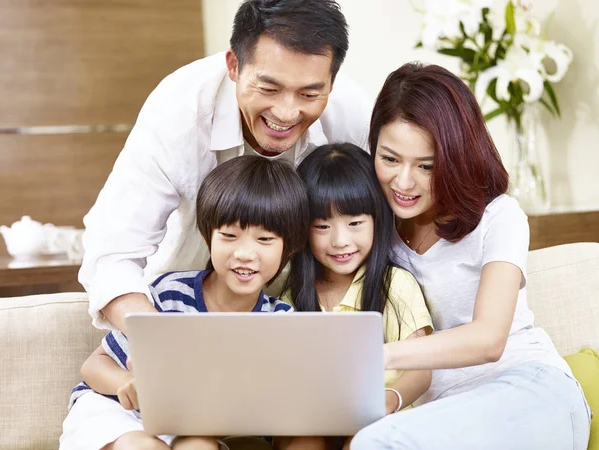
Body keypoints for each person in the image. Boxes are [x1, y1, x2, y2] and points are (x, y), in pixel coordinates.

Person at [79, 0, 372, 334]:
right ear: (234, 66)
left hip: (296, 309)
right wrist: (160, 340)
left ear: (332, 83)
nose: (287, 113)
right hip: (182, 306)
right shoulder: (178, 112)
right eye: (269, 88)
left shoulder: (353, 115)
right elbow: (112, 252)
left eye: (308, 95)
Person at [350, 63, 592, 449]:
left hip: (533, 392)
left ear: (456, 159)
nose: (404, 181)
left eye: (426, 166)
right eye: (390, 159)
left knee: (377, 442)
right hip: (448, 416)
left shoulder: (499, 217)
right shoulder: (370, 233)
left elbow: (488, 339)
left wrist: (375, 355)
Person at [60, 156, 310, 450]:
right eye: (229, 236)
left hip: (187, 426)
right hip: (116, 413)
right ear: (207, 238)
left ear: (290, 247)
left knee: (199, 445)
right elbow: (93, 366)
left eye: (264, 239)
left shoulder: (281, 322)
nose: (244, 253)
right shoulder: (170, 295)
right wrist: (125, 383)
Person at [279, 144, 433, 450]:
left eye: (355, 224)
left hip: (386, 417)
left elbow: (422, 370)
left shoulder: (395, 285)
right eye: (322, 226)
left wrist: (388, 401)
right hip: (320, 417)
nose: (340, 241)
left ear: (377, 219)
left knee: (363, 439)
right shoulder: (290, 297)